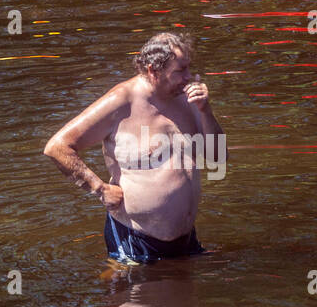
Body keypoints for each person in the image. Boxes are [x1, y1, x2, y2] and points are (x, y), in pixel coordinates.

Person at [44, 32, 221, 265]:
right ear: (153, 71)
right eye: (180, 71)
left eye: (188, 68)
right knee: (129, 301)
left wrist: (205, 111)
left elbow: (218, 158)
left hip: (186, 240)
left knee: (185, 302)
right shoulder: (121, 101)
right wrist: (99, 188)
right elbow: (57, 146)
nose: (188, 77)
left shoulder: (188, 99)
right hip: (135, 240)